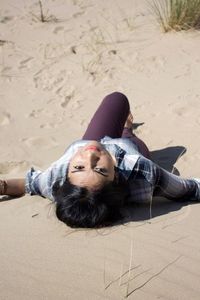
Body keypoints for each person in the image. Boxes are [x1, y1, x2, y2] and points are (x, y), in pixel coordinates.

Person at [0, 92, 199, 228]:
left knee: (116, 99)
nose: (90, 156)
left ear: (66, 174)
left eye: (78, 167)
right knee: (174, 149)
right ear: (116, 177)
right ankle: (127, 129)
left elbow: (29, 184)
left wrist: (3, 186)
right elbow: (190, 188)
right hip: (129, 148)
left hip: (91, 139)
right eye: (101, 170)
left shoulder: (55, 181)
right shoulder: (143, 172)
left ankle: (122, 127)